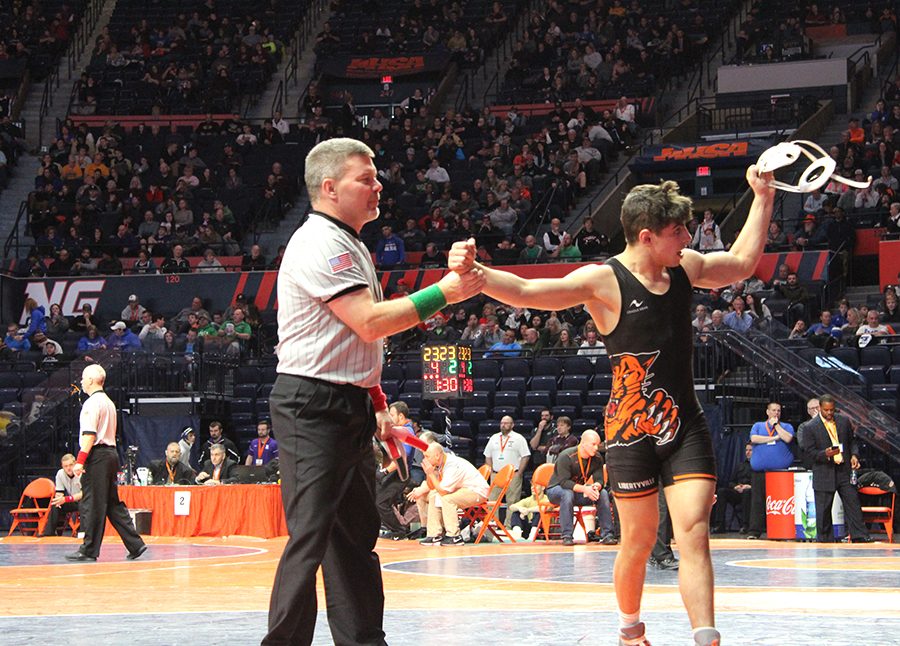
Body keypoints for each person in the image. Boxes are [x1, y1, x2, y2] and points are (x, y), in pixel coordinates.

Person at [449, 164, 775, 646]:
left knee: (694, 534)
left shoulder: (685, 266)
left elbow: (744, 262)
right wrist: (478, 274)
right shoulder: (604, 281)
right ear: (646, 236)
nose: (688, 238)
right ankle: (629, 630)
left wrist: (763, 196)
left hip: (684, 425)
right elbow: (528, 293)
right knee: (639, 542)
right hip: (630, 434)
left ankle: (706, 637)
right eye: (678, 230)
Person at [262, 138, 483, 646]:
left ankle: (363, 641)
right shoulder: (320, 242)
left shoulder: (349, 242)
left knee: (354, 539)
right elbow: (367, 324)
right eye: (366, 177)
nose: (378, 184)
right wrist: (444, 292)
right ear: (329, 187)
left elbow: (350, 342)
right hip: (312, 405)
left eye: (376, 175)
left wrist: (378, 402)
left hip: (346, 402)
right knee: (312, 539)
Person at [66, 364, 147, 561]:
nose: (82, 383)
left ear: (92, 380)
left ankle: (89, 550)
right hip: (110, 454)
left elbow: (89, 436)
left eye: (84, 379)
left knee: (93, 503)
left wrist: (80, 461)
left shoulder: (92, 404)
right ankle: (135, 544)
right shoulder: (109, 402)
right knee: (112, 503)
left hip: (97, 456)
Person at [798, 394, 872, 543]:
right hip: (824, 470)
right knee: (824, 509)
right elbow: (808, 452)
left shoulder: (843, 421)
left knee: (853, 503)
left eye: (832, 410)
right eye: (826, 410)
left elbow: (852, 442)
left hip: (843, 470)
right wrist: (824, 454)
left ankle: (860, 536)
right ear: (820, 408)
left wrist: (854, 456)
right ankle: (825, 539)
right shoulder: (809, 427)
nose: (829, 413)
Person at [407, 442, 490, 545]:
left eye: (427, 456)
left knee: (447, 499)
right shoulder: (440, 463)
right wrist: (429, 473)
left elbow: (443, 491)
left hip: (477, 491)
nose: (424, 460)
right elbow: (433, 486)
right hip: (463, 489)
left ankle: (454, 536)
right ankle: (434, 535)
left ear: (437, 455)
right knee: (433, 495)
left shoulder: (452, 465)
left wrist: (431, 474)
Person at [545, 429, 616, 545]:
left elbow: (600, 480)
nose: (596, 448)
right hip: (556, 490)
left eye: (598, 445)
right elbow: (564, 483)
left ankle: (607, 534)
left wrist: (595, 487)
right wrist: (585, 489)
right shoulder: (566, 456)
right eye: (593, 445)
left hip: (577, 491)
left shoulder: (597, 458)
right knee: (567, 493)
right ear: (583, 443)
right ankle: (567, 536)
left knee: (602, 493)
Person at [746, 402, 795, 539]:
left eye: (778, 411)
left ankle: (780, 531)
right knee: (757, 502)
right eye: (773, 410)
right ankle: (754, 532)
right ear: (767, 412)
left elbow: (787, 438)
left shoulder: (786, 427)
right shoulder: (758, 426)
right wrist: (774, 438)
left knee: (780, 502)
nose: (776, 413)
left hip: (780, 474)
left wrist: (776, 426)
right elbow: (754, 438)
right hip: (760, 472)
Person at [376, 401, 418, 539]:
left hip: (400, 476)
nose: (389, 417)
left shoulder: (407, 432)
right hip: (394, 474)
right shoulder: (398, 431)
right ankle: (394, 528)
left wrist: (384, 472)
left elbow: (401, 458)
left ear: (400, 416)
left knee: (381, 502)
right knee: (379, 500)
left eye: (392, 414)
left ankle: (399, 531)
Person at [483, 415, 530, 506]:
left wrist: (519, 472)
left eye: (506, 423)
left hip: (513, 475)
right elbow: (487, 456)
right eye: (502, 423)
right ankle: (492, 520)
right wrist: (491, 471)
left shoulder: (519, 438)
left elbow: (526, 456)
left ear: (512, 425)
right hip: (496, 474)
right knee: (492, 501)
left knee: (512, 502)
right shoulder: (494, 438)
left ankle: (510, 521)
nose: (503, 425)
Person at [712, 443, 753, 534]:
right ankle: (719, 525)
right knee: (722, 491)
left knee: (747, 492)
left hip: (751, 493)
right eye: (746, 450)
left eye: (750, 450)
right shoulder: (740, 465)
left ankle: (745, 525)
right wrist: (735, 487)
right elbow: (731, 481)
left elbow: (761, 484)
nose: (748, 452)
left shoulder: (757, 466)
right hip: (738, 492)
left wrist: (750, 486)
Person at [41, 454, 82, 537]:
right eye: (65, 466)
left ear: (75, 464)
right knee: (55, 504)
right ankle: (49, 533)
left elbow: (84, 494)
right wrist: (59, 500)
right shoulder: (60, 473)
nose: (68, 468)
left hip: (84, 500)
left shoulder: (81, 473)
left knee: (83, 504)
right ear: (62, 466)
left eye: (71, 465)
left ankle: (83, 532)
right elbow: (59, 492)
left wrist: (67, 499)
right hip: (71, 501)